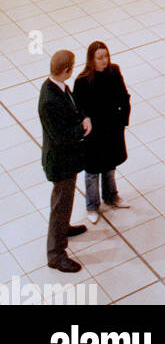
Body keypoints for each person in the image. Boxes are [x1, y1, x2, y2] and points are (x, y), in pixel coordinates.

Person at [38, 49, 90, 273]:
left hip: (66, 159)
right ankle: (56, 254)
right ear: (67, 69)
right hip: (60, 162)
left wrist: (82, 117)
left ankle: (63, 228)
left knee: (63, 202)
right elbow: (61, 136)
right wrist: (83, 128)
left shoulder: (57, 86)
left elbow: (72, 107)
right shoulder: (50, 100)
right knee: (61, 204)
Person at [72, 41, 131, 225]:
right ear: (91, 59)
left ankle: (111, 196)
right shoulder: (82, 81)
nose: (104, 61)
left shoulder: (114, 71)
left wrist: (123, 120)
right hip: (94, 132)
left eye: (106, 56)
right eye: (99, 58)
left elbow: (124, 96)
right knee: (92, 171)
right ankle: (92, 205)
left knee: (110, 165)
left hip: (112, 128)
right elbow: (78, 109)